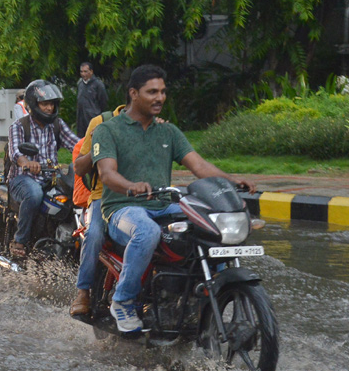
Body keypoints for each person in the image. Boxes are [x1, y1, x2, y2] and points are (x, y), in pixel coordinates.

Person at [93, 64, 255, 334]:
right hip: (123, 208)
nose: (160, 98)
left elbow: (200, 167)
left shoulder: (169, 132)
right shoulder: (108, 130)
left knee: (209, 226)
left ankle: (205, 292)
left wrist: (231, 181)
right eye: (152, 92)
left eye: (163, 92)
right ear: (134, 93)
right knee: (146, 232)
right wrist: (131, 186)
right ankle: (123, 301)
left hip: (163, 204)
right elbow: (107, 174)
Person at [6, 79, 81, 258]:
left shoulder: (57, 125)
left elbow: (77, 145)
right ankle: (20, 241)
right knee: (34, 194)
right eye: (45, 104)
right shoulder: (19, 126)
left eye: (52, 104)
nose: (49, 108)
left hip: (50, 178)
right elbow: (15, 152)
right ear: (33, 104)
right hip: (22, 179)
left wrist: (94, 149)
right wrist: (26, 163)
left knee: (74, 198)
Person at [69, 103, 125, 318]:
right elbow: (79, 167)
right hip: (104, 196)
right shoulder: (100, 123)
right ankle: (83, 291)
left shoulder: (152, 127)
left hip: (139, 197)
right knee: (93, 234)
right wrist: (98, 145)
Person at [75, 62, 108, 136]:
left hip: (92, 117)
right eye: (81, 71)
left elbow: (103, 101)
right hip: (81, 118)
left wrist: (95, 112)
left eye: (85, 71)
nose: (83, 74)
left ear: (91, 71)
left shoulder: (98, 84)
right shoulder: (80, 84)